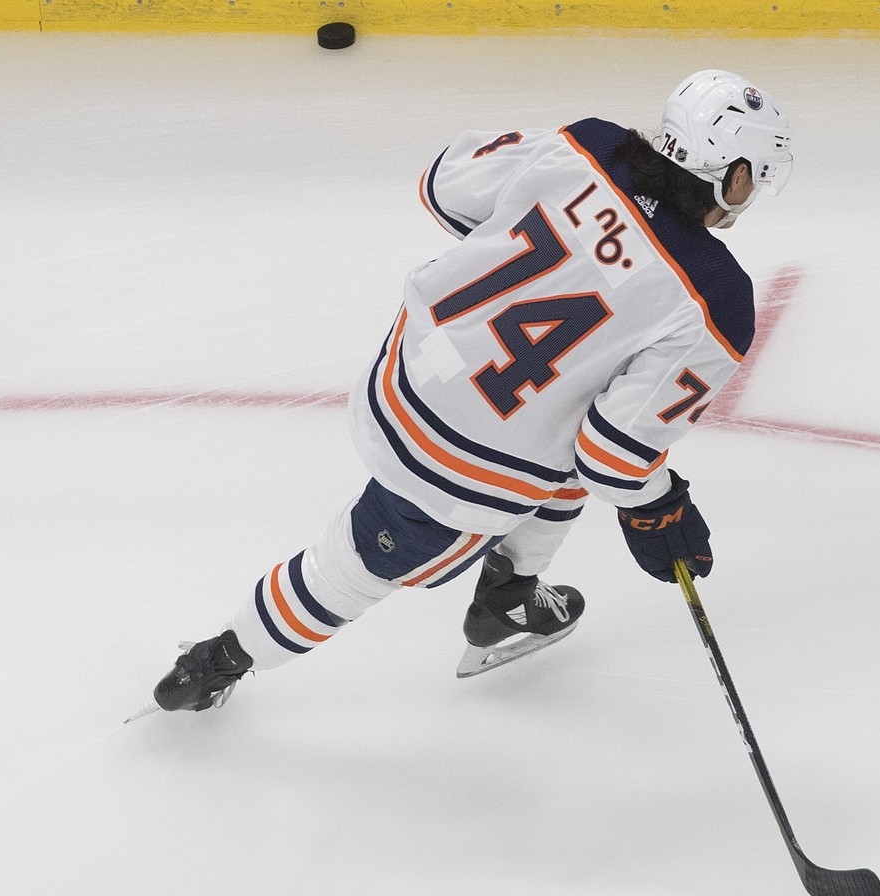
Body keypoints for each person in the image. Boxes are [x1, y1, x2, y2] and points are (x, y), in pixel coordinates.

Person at [151, 69, 793, 711]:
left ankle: (510, 595)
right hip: (462, 468)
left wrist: (567, 246)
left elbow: (444, 184)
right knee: (351, 566)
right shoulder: (717, 299)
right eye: (755, 178)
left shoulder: (591, 145)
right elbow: (615, 460)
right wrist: (660, 507)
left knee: (567, 422)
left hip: (404, 374)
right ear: (734, 176)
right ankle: (218, 660)